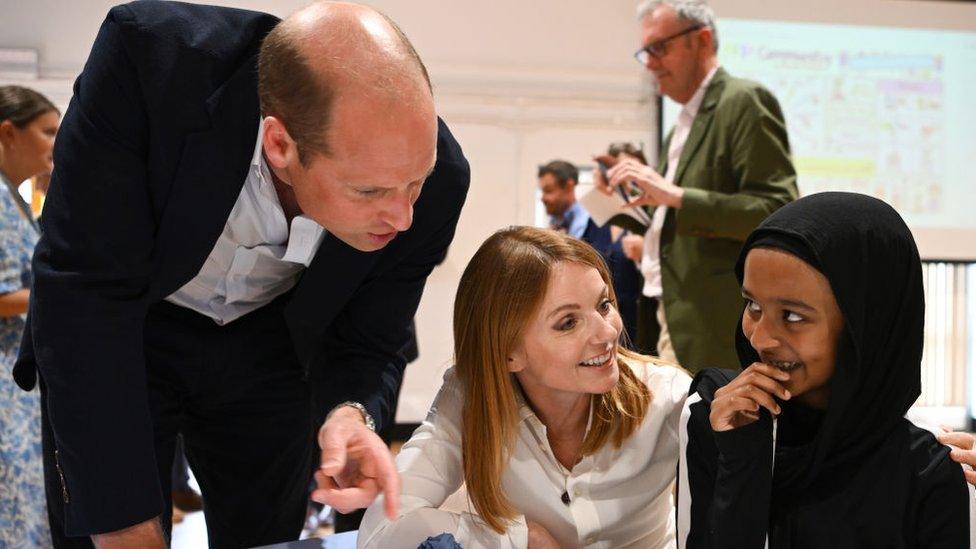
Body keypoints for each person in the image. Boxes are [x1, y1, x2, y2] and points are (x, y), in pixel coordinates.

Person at [14, 2, 469, 547]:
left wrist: (352, 414)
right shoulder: (151, 60)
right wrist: (123, 524)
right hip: (129, 328)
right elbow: (83, 287)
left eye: (414, 183)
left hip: (273, 347)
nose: (403, 217)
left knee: (265, 534)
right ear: (280, 145)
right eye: (369, 191)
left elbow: (372, 332)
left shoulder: (439, 179)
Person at [359, 227, 690, 548]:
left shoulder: (668, 394)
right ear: (506, 353)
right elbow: (384, 528)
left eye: (604, 304)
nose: (607, 333)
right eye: (568, 323)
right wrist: (521, 539)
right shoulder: (472, 395)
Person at [677, 192, 973, 547]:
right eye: (752, 305)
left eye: (793, 316)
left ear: (866, 326)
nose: (761, 338)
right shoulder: (723, 416)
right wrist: (742, 463)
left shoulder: (927, 471)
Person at [595, 0, 797, 372]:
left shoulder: (743, 101)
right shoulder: (680, 125)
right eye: (646, 52)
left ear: (701, 40)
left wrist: (676, 196)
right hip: (670, 312)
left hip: (715, 322)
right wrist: (615, 204)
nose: (650, 62)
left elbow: (776, 209)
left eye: (660, 47)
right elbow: (669, 224)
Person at [0, 85, 59, 548]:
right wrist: (62, 287)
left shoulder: (15, 196)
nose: (57, 142)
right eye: (48, 131)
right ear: (8, 133)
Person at [538, 160, 642, 344]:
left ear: (569, 186)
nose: (543, 198)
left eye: (549, 190)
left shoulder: (597, 220)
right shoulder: (556, 225)